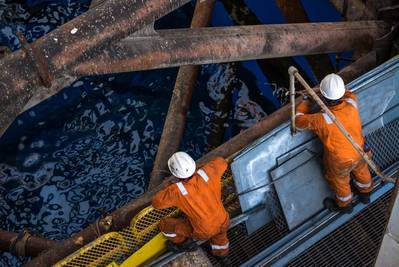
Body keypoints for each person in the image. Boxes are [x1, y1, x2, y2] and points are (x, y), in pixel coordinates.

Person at [295, 73, 373, 213]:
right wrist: (323, 92)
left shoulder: (321, 119)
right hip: (360, 150)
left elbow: (298, 121)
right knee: (362, 171)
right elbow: (348, 93)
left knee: (340, 181)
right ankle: (365, 194)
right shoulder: (352, 102)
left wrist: (306, 101)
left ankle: (345, 205)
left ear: (324, 98)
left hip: (340, 161)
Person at [152, 151, 230, 261]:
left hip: (203, 231)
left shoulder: (176, 191)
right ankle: (223, 256)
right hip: (223, 220)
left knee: (165, 225)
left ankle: (184, 243)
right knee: (220, 237)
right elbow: (222, 162)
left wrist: (169, 186)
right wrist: (201, 168)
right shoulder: (209, 171)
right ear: (192, 163)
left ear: (175, 174)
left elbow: (156, 203)